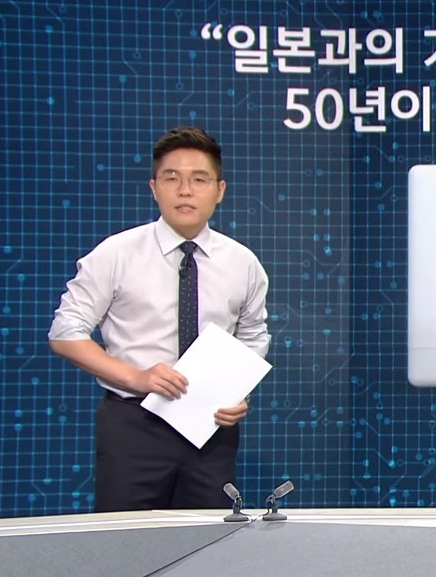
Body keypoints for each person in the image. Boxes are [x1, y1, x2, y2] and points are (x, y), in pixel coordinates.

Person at [48, 126, 270, 511]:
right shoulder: (116, 254)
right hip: (133, 424)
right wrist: (136, 377)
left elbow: (252, 335)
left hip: (211, 428)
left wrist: (238, 392)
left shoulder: (243, 263)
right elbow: (65, 332)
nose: (185, 191)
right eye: (172, 178)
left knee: (206, 539)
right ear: (154, 188)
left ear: (219, 190)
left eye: (199, 180)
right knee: (125, 539)